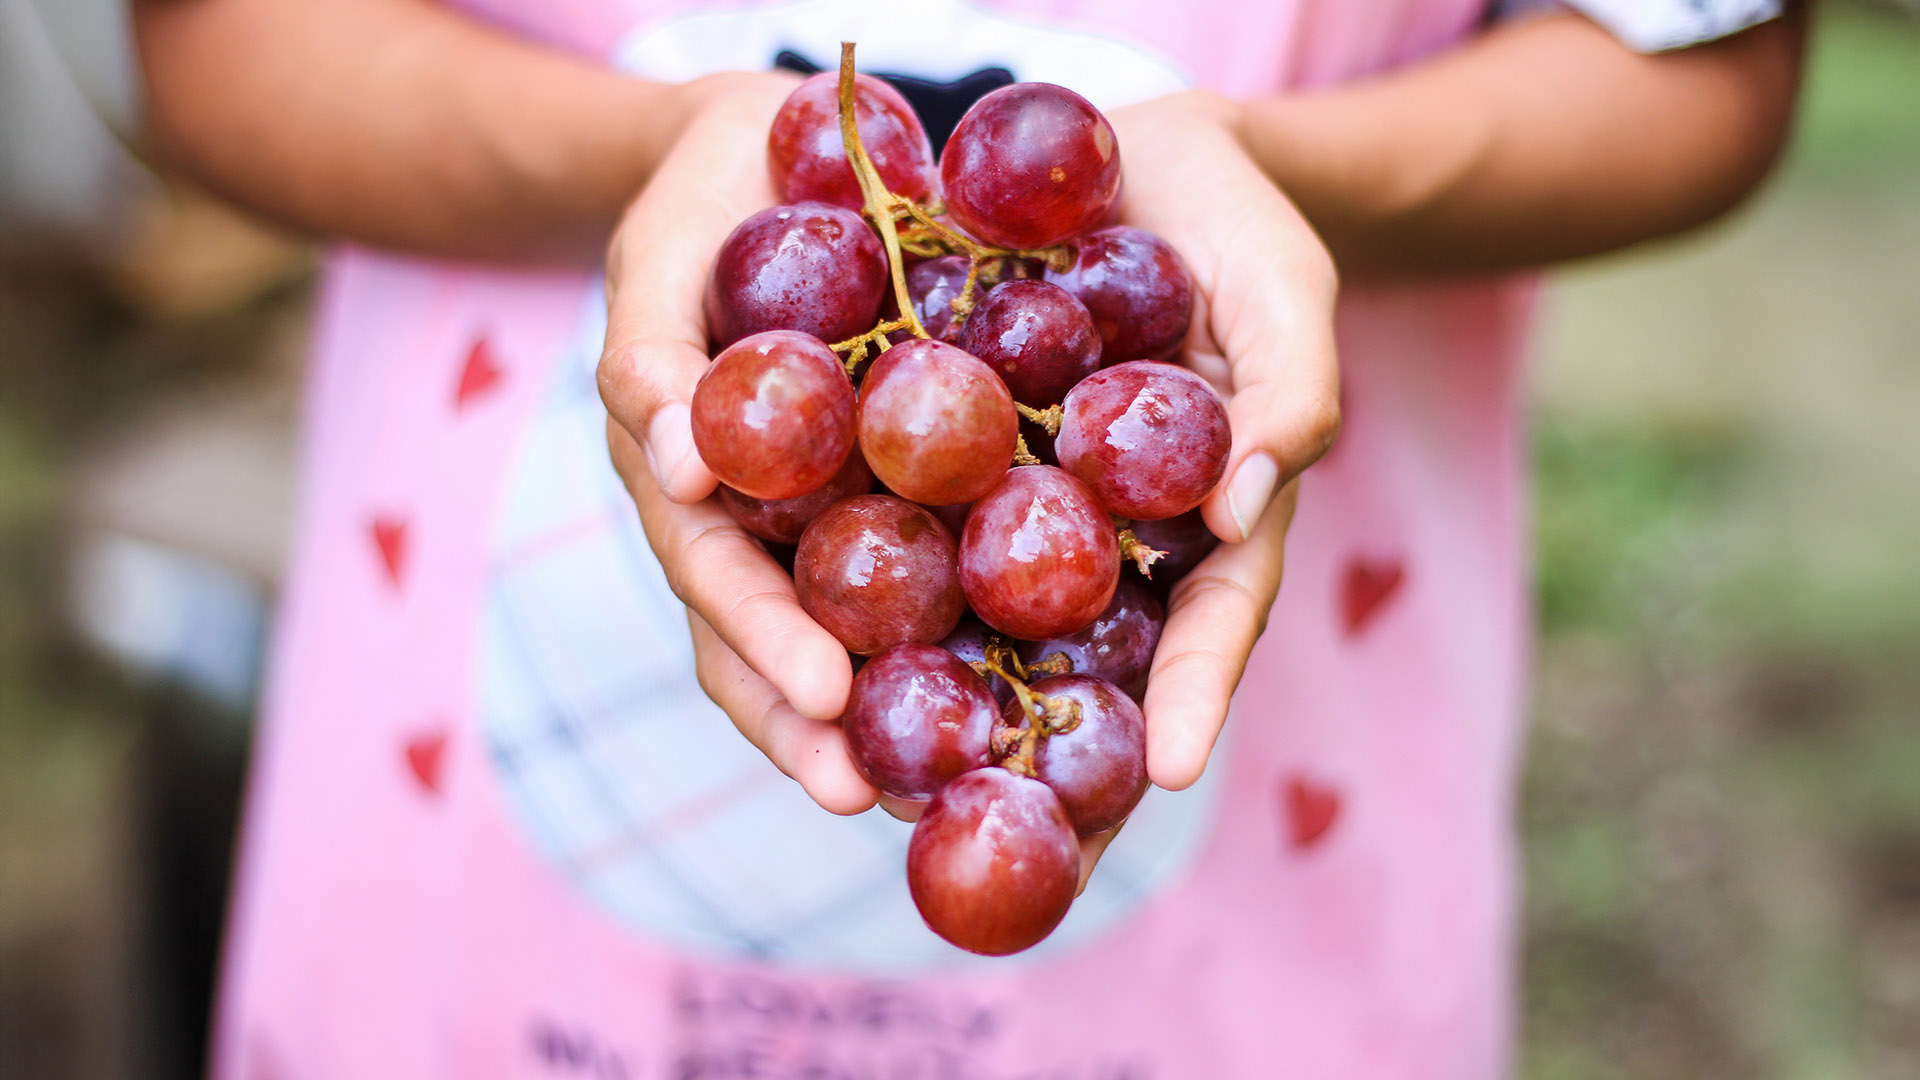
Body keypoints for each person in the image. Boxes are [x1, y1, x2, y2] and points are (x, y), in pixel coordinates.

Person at [132, 0, 1803, 1075]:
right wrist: (652, 150)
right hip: (477, 823)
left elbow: (1709, 63)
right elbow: (213, 44)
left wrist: (1278, 172)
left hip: (1275, 848)